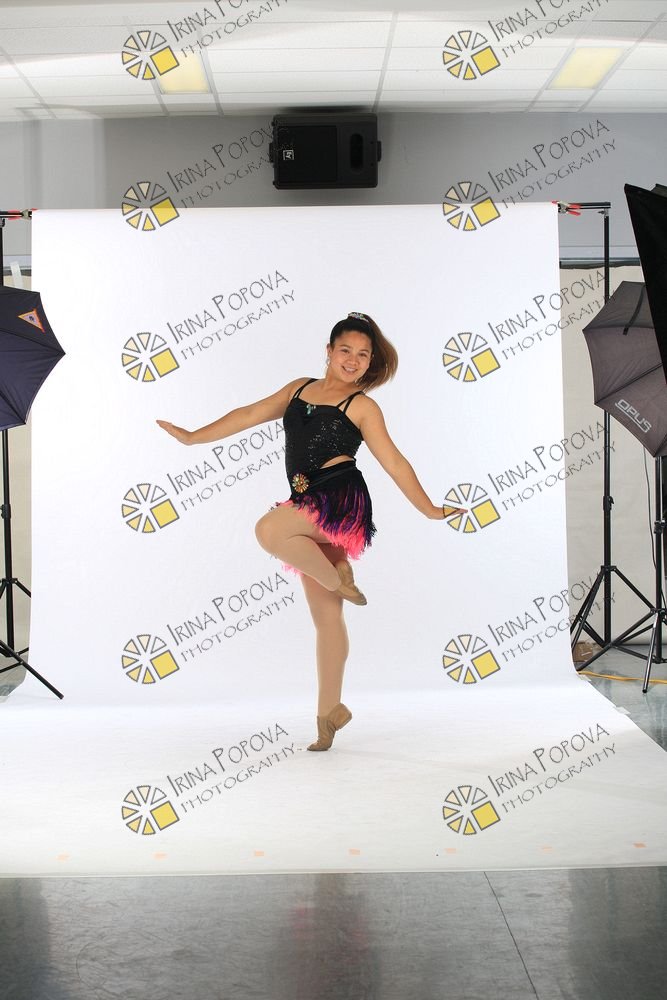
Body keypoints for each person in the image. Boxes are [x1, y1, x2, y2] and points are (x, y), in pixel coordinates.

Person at [157, 312, 466, 752]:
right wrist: (192, 437)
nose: (353, 360)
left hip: (339, 499)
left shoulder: (361, 406)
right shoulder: (298, 389)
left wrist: (430, 509)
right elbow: (249, 414)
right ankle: (329, 714)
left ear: (370, 362)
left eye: (363, 355)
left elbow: (395, 463)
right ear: (329, 350)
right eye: (346, 350)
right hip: (305, 503)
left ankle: (336, 577)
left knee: (269, 530)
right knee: (326, 617)